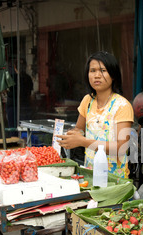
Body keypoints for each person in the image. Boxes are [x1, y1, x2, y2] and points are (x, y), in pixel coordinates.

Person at [56, 51, 134, 179]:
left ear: (113, 75)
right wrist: (68, 136)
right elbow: (79, 130)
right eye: (92, 71)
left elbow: (121, 147)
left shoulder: (122, 106)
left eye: (103, 70)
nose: (97, 75)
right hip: (90, 174)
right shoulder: (87, 100)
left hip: (114, 179)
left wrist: (83, 141)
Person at [6, 58, 33, 132]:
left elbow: (6, 90)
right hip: (25, 106)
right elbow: (29, 94)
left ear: (15, 67)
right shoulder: (28, 78)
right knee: (25, 129)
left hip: (13, 106)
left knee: (13, 130)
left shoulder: (11, 78)